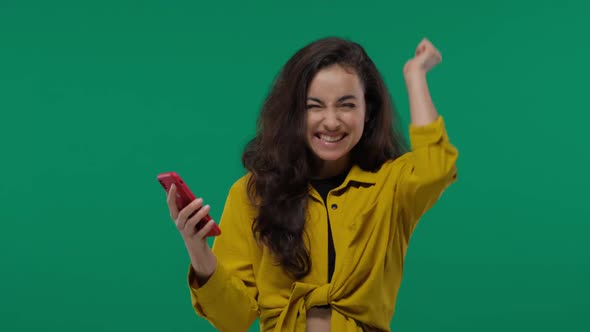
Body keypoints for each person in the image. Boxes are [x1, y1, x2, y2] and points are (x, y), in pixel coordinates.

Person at [165, 36, 459, 332]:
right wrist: (198, 249)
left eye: (346, 105)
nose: (331, 122)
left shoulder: (391, 186)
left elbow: (435, 166)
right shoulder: (251, 194)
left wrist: (415, 75)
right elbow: (234, 319)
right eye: (314, 106)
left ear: (367, 110)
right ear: (294, 112)